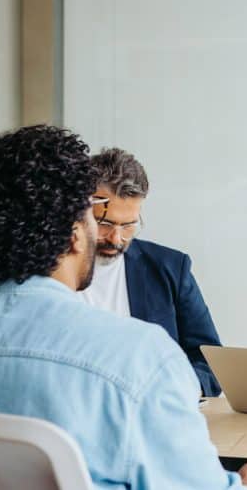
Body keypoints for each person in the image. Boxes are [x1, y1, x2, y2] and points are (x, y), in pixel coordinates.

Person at [0, 126, 247, 490]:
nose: (112, 237)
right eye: (95, 217)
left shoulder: (163, 278)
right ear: (74, 235)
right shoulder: (141, 358)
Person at [81, 148, 222, 396]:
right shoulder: (49, 270)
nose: (116, 238)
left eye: (128, 225)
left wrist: (172, 390)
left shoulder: (170, 268)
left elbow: (211, 363)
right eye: (105, 224)